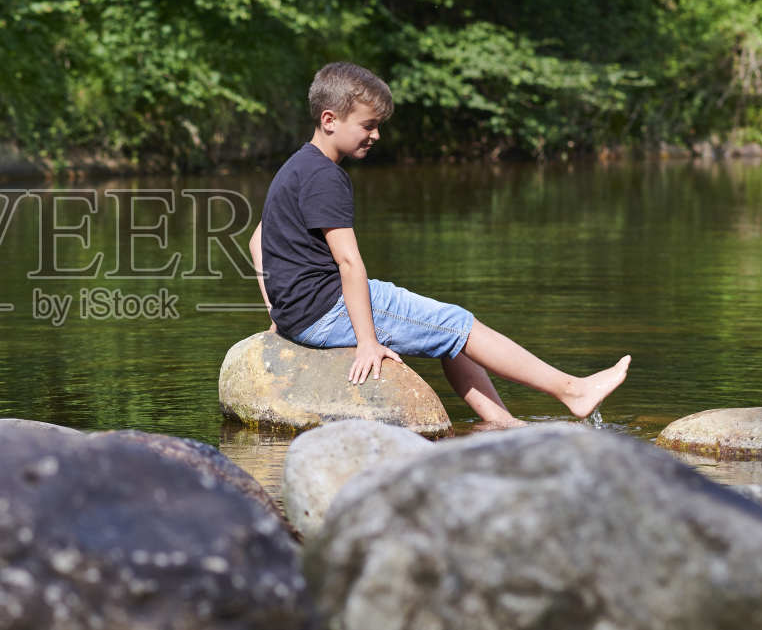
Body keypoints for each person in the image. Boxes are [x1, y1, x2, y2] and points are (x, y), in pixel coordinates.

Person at [247, 61, 629, 427]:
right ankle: (572, 390)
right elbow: (349, 263)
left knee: (445, 331)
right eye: (369, 125)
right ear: (329, 120)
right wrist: (367, 343)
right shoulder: (326, 178)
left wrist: (278, 308)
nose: (377, 135)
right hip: (328, 309)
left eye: (379, 125)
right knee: (457, 324)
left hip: (302, 314)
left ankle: (502, 424)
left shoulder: (294, 168)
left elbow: (258, 240)